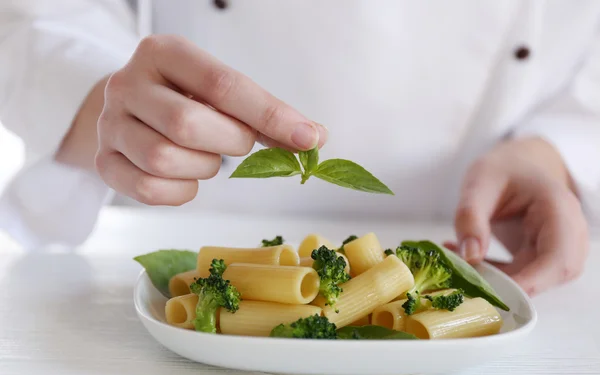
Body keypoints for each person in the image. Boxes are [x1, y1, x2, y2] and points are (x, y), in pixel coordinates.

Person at [0, 0, 598, 297]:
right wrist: (104, 101)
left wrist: (553, 158)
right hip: (172, 241)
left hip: (463, 256)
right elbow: (40, 16)